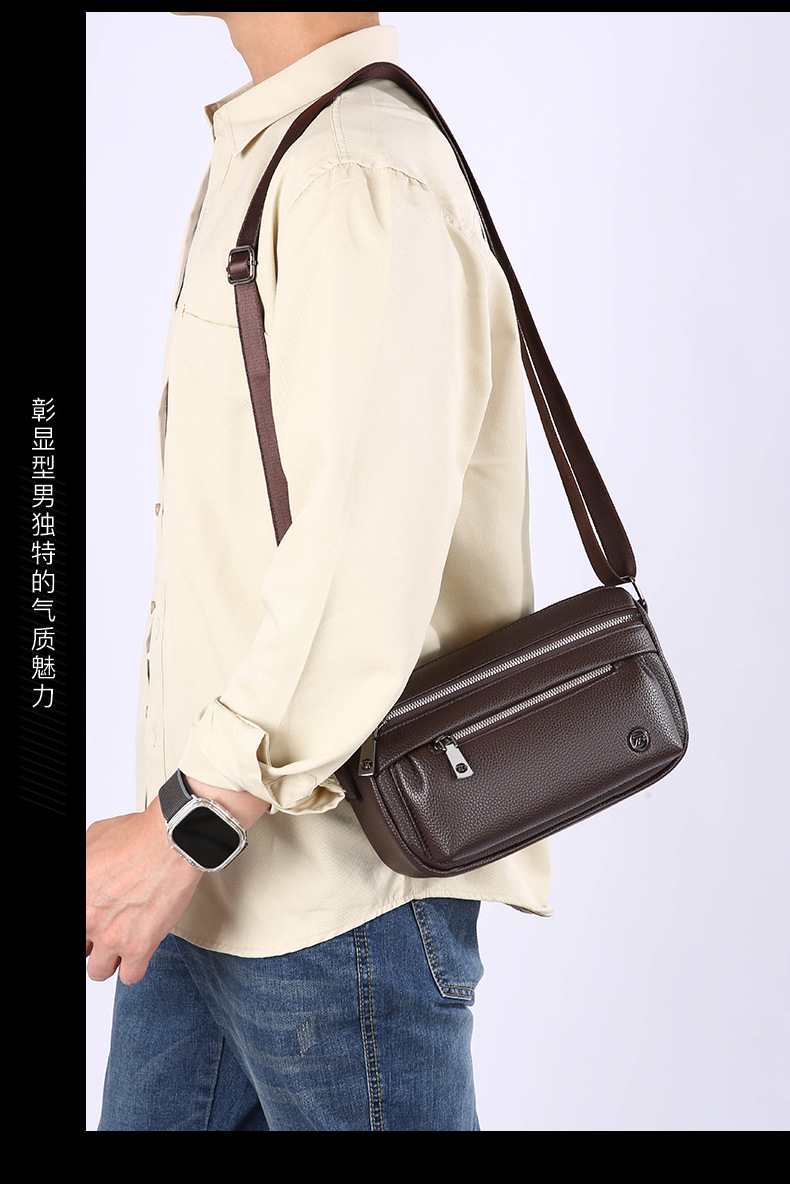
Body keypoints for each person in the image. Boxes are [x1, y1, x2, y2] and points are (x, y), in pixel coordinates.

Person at [86, 12, 553, 1132]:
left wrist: (190, 821)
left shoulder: (358, 172)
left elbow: (360, 568)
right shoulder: (286, 146)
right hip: (210, 888)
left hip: (331, 909)